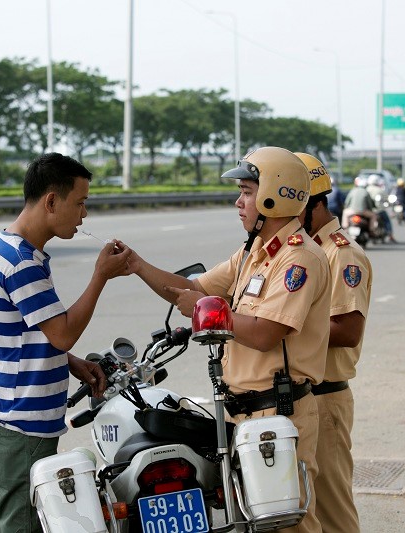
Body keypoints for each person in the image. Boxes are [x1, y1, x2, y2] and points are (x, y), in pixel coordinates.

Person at [129, 146, 331, 533]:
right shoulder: (253, 252)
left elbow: (266, 333)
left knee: (288, 526)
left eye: (246, 192)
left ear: (274, 194)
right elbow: (190, 288)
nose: (238, 202)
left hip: (278, 414)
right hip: (242, 413)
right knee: (250, 523)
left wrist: (208, 310)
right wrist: (137, 265)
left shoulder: (298, 258)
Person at [0, 152, 132, 533]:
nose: (83, 216)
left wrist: (71, 362)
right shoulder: (20, 261)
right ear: (50, 201)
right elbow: (61, 332)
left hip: (18, 422)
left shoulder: (21, 252)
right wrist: (100, 276)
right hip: (19, 426)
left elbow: (29, 335)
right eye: (79, 203)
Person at [296, 153, 373, 533]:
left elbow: (348, 330)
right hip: (295, 399)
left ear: (316, 203)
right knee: (299, 512)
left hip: (324, 399)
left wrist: (281, 328)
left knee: (333, 513)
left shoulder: (341, 254)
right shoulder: (299, 251)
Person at [365, 174, 397, 242]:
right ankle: (390, 235)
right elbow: (387, 199)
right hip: (379, 210)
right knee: (387, 221)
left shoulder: (366, 190)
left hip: (369, 210)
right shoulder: (380, 190)